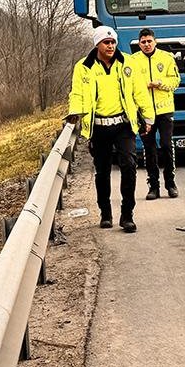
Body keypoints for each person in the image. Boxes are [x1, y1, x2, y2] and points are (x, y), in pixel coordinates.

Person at [67, 26, 154, 232]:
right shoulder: (84, 67)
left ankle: (127, 215)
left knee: (129, 166)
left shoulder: (127, 63)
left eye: (113, 42)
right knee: (103, 171)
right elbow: (77, 93)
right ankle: (105, 213)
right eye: (106, 43)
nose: (111, 46)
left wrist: (148, 116)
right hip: (99, 127)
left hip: (123, 125)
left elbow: (139, 91)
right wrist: (74, 113)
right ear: (97, 44)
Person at [129, 28, 181, 199]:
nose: (146, 44)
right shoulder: (133, 60)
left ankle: (170, 183)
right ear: (139, 44)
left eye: (149, 41)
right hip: (144, 112)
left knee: (166, 145)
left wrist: (160, 83)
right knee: (149, 149)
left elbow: (175, 81)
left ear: (155, 42)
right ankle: (153, 186)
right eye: (143, 42)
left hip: (164, 110)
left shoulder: (166, 58)